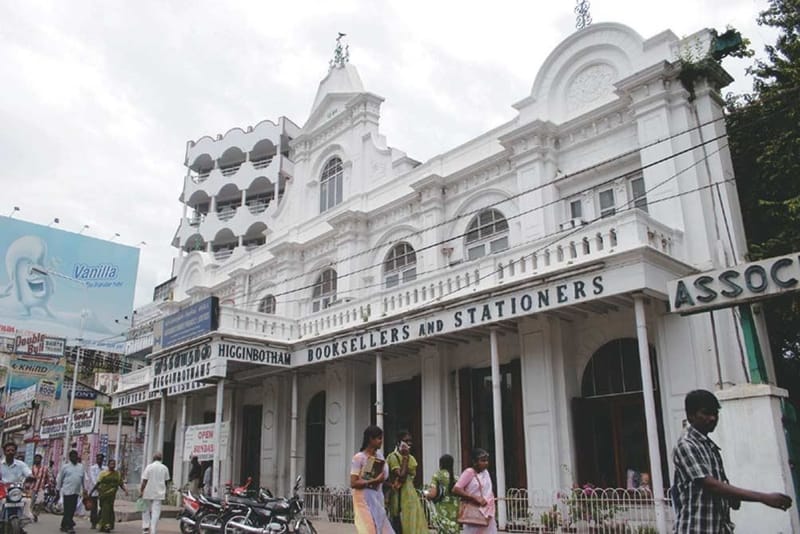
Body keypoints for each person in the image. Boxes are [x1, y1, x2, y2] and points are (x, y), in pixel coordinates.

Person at [672, 389, 793, 533]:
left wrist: (732, 499)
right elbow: (711, 485)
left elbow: (721, 487)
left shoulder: (710, 446)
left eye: (715, 413)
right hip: (696, 528)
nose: (712, 418)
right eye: (706, 413)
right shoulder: (686, 445)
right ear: (691, 416)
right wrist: (764, 498)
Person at [350, 425, 394, 534]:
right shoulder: (359, 458)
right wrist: (373, 481)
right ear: (371, 439)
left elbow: (379, 478)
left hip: (376, 498)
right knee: (369, 530)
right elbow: (353, 482)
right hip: (362, 500)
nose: (381, 441)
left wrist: (389, 485)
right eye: (379, 438)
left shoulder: (379, 457)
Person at [386, 431, 427, 534]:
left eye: (410, 441)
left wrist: (407, 457)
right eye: (406, 441)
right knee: (401, 524)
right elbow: (402, 477)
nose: (409, 443)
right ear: (399, 442)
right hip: (399, 496)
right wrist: (404, 458)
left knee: (413, 523)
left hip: (410, 495)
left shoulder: (411, 457)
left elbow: (412, 476)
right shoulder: (393, 457)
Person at [452, 448, 497, 534]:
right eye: (482, 461)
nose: (486, 463)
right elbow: (456, 489)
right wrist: (474, 497)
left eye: (487, 461)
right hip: (474, 510)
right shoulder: (469, 472)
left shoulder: (486, 473)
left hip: (487, 511)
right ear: (475, 462)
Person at [90, 459, 128, 533]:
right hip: (103, 494)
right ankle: (104, 524)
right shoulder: (103, 473)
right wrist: (91, 492)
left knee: (108, 509)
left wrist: (125, 490)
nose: (112, 465)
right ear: (108, 465)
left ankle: (105, 524)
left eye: (114, 464)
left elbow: (120, 483)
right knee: (105, 509)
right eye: (111, 464)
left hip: (112, 495)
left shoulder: (117, 474)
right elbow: (98, 483)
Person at [424, 454, 459, 534]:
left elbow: (433, 494)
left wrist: (426, 494)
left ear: (441, 464)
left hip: (441, 510)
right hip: (454, 511)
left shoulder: (437, 476)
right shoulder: (456, 478)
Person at [140, 452, 171, 534]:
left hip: (148, 491)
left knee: (145, 510)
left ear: (153, 458)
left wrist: (141, 490)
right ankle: (153, 529)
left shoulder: (149, 467)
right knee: (156, 512)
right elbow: (167, 481)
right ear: (161, 459)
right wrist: (166, 491)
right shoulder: (164, 468)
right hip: (159, 492)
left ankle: (145, 527)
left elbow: (144, 480)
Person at [57, 449, 86, 534]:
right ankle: (69, 526)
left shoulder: (81, 466)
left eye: (75, 456)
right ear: (70, 458)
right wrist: (58, 489)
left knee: (72, 509)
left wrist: (84, 488)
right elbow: (60, 479)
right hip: (67, 491)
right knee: (67, 509)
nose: (74, 458)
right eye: (72, 456)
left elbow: (83, 478)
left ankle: (63, 525)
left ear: (77, 457)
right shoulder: (65, 467)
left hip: (76, 491)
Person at [86, 453, 105, 529]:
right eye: (98, 459)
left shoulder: (105, 468)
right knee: (94, 508)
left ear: (103, 460)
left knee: (102, 507)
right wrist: (98, 487)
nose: (99, 460)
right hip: (94, 490)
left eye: (101, 459)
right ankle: (93, 522)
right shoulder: (92, 468)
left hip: (103, 490)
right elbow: (94, 480)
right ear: (96, 459)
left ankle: (99, 520)